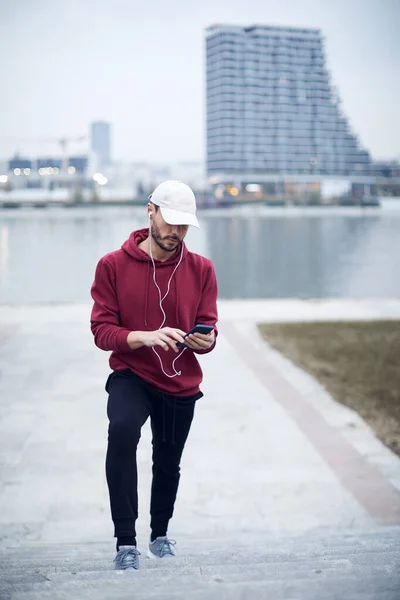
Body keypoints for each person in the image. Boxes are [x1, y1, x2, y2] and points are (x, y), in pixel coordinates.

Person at [90, 180, 218, 570]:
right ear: (151, 212)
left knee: (167, 460)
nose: (176, 233)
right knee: (122, 431)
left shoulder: (202, 269)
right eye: (171, 222)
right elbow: (101, 331)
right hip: (132, 374)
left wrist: (205, 342)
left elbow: (208, 326)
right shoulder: (112, 265)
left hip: (180, 379)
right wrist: (142, 337)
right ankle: (125, 542)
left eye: (185, 226)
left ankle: (159, 534)